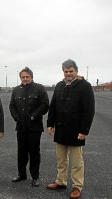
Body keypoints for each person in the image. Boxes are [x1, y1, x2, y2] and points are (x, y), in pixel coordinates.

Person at [46, 59, 95, 199]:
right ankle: (60, 181)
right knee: (61, 159)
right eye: (66, 71)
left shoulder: (85, 86)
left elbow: (89, 110)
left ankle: (77, 187)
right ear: (63, 72)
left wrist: (84, 130)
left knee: (76, 162)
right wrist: (50, 124)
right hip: (61, 129)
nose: (68, 74)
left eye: (71, 71)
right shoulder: (60, 86)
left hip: (76, 131)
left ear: (76, 71)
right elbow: (53, 106)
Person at [9, 67, 49, 187]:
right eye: (23, 77)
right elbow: (11, 106)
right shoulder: (16, 90)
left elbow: (45, 104)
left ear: (31, 77)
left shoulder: (39, 88)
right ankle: (21, 174)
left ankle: (35, 177)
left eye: (27, 76)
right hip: (21, 126)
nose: (25, 79)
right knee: (21, 152)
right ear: (20, 78)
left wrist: (34, 116)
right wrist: (16, 118)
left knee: (34, 152)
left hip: (34, 127)